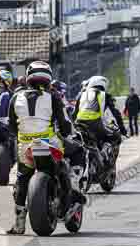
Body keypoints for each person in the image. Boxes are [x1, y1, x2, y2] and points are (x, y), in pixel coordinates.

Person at [7, 61, 86, 235]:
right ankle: (74, 184)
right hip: (49, 143)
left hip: (25, 146)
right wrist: (68, 134)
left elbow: (11, 126)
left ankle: (19, 224)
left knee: (21, 179)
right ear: (48, 78)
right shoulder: (53, 97)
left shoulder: (15, 97)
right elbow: (65, 126)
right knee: (79, 149)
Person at [72, 75, 128, 155]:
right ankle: (104, 153)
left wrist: (73, 126)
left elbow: (74, 113)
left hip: (79, 124)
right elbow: (116, 113)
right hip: (95, 124)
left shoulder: (81, 95)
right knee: (115, 136)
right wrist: (123, 130)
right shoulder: (105, 95)